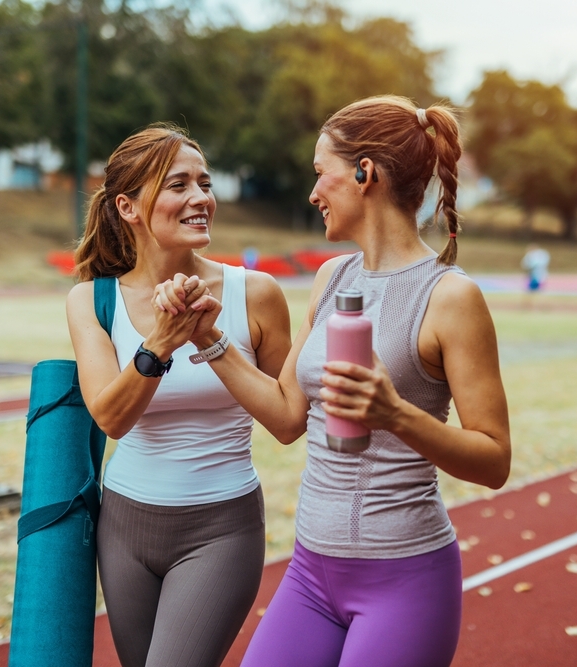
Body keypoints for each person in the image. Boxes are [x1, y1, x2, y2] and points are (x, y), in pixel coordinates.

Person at [187, 96, 512, 667]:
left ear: (366, 173)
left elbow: (494, 460)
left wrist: (396, 414)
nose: (313, 193)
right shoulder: (332, 277)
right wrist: (206, 339)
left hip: (405, 577)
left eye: (320, 174)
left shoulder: (451, 297)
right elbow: (288, 415)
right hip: (312, 571)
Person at [65, 123, 292, 667]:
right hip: (123, 528)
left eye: (205, 183)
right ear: (129, 207)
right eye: (178, 185)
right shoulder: (90, 300)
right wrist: (164, 339)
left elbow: (289, 421)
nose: (201, 199)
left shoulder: (253, 294)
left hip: (221, 526)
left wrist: (210, 339)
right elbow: (110, 417)